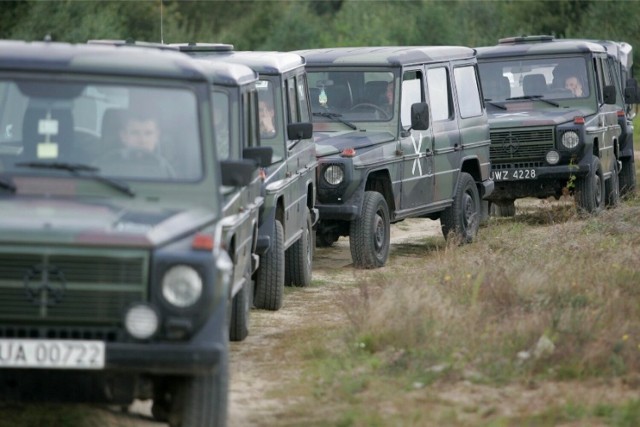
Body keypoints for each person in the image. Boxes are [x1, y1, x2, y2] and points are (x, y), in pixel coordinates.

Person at [97, 111, 175, 178]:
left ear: (157, 136)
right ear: (123, 136)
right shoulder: (105, 165)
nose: (142, 140)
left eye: (148, 133)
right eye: (135, 133)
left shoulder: (165, 169)